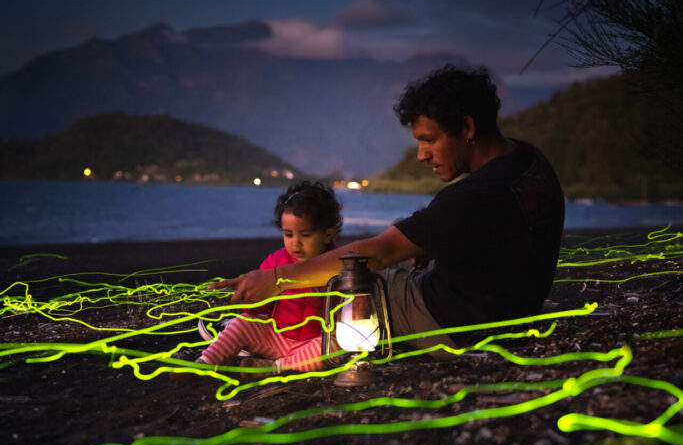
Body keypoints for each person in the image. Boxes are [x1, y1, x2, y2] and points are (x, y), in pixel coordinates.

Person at [208, 65, 565, 358]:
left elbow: (376, 254)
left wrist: (275, 279)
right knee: (399, 257)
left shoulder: (473, 196)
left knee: (352, 278)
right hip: (509, 318)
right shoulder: (528, 160)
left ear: (467, 129)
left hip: (457, 330)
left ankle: (279, 345)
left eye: (429, 139)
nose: (422, 154)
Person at [198, 181, 342, 372]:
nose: (295, 243)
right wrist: (249, 300)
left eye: (305, 235)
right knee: (244, 323)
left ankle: (272, 367)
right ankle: (206, 361)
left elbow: (347, 313)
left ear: (328, 234)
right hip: (276, 336)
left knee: (334, 347)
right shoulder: (276, 261)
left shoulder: (339, 266)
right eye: (288, 234)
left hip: (313, 343)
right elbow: (259, 308)